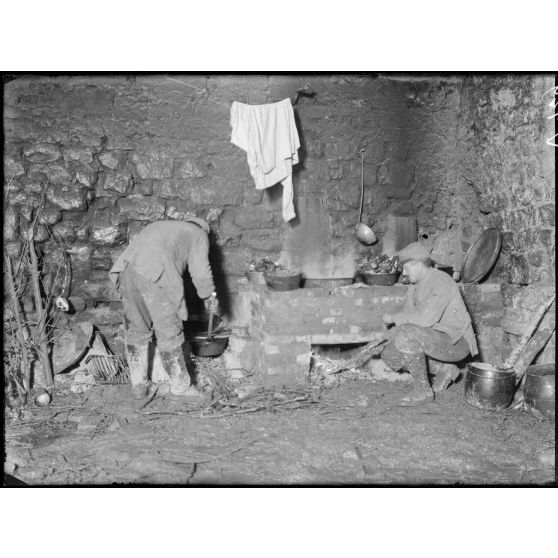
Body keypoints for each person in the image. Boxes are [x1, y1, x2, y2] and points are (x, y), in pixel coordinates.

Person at [109, 218, 219, 400]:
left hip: (126, 270)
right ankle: (181, 388)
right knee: (169, 331)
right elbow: (201, 272)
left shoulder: (165, 227)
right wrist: (209, 297)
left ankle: (139, 385)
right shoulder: (198, 233)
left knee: (138, 329)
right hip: (154, 270)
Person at [380, 242, 478, 404]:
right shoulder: (414, 286)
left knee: (406, 333)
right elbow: (407, 317)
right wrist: (386, 338)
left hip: (457, 342)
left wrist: (393, 318)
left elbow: (425, 319)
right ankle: (445, 369)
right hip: (433, 338)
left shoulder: (441, 280)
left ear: (417, 264)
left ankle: (423, 392)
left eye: (406, 268)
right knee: (389, 353)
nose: (404, 273)